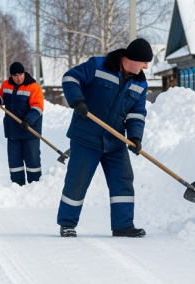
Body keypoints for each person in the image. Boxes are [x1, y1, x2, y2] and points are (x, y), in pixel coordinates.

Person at [56, 38, 152, 238]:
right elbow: (70, 78)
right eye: (144, 61)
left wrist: (135, 136)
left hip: (115, 141)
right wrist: (77, 101)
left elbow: (137, 113)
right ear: (131, 58)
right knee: (77, 180)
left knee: (123, 179)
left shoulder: (140, 82)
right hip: (85, 138)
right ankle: (67, 224)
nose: (146, 66)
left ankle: (123, 225)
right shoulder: (98, 66)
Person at [0, 62, 45, 186]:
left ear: (24, 73)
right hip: (13, 130)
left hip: (30, 130)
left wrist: (28, 120)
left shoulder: (33, 87)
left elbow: (38, 107)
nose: (19, 78)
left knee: (32, 161)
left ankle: (35, 187)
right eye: (15, 75)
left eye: (21, 74)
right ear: (11, 76)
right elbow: (1, 97)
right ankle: (17, 187)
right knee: (15, 163)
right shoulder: (6, 85)